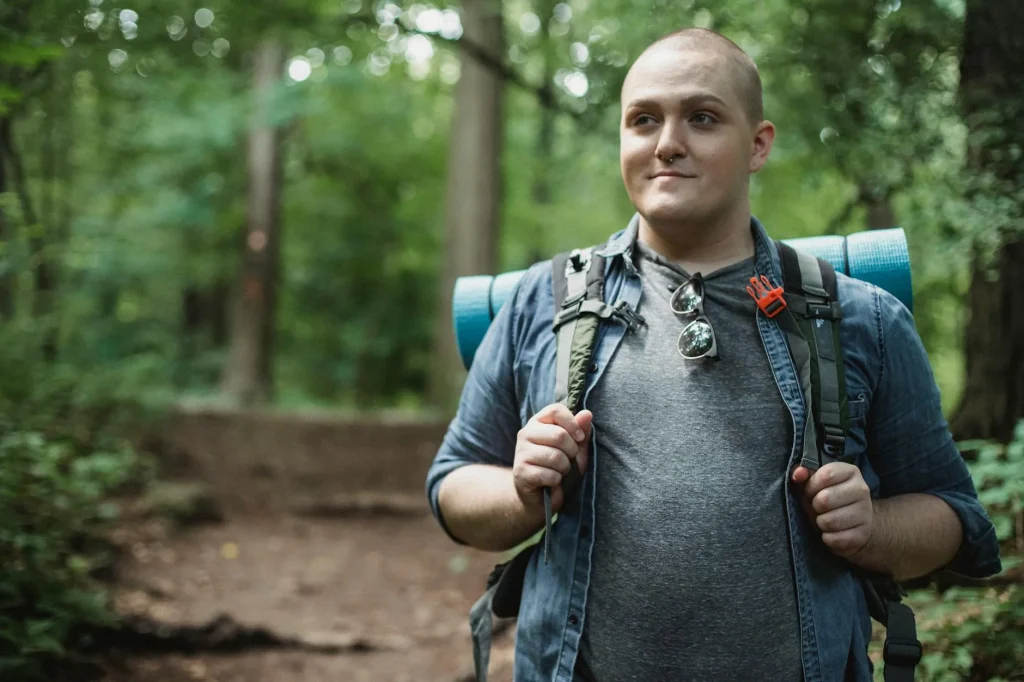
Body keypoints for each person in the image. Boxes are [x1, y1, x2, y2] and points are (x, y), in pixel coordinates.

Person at [424, 27, 1001, 682]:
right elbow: (453, 485)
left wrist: (873, 529)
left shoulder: (861, 318)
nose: (667, 143)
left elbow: (953, 515)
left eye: (701, 118)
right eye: (643, 120)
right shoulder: (542, 302)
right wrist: (523, 492)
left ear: (758, 144)